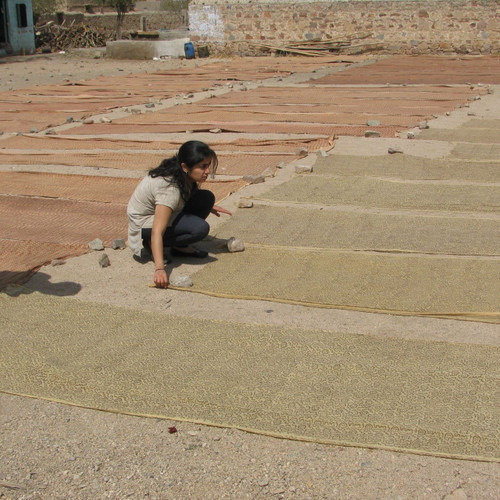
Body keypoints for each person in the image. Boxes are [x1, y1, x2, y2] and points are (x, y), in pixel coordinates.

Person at [127, 140, 232, 289]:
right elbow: (158, 230)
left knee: (206, 198)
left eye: (208, 165)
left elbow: (187, 194)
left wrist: (208, 206)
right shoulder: (169, 188)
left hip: (161, 211)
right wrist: (159, 269)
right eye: (203, 167)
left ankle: (178, 247)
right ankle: (152, 245)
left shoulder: (180, 172)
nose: (207, 171)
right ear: (185, 167)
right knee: (199, 229)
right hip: (143, 224)